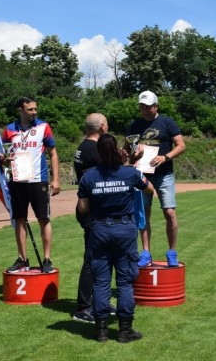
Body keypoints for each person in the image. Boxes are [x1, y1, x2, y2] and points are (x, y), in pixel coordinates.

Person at [77, 134, 154, 343]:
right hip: (124, 229)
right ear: (118, 150)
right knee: (125, 281)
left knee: (101, 281)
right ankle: (124, 330)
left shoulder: (89, 177)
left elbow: (83, 208)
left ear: (99, 152)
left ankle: (101, 329)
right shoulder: (130, 173)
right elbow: (150, 188)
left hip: (100, 228)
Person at [125, 90, 186, 268]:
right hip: (142, 176)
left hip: (164, 174)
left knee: (170, 213)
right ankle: (146, 252)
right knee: (143, 214)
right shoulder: (135, 125)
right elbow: (127, 149)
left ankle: (172, 252)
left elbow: (181, 146)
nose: (144, 110)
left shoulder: (167, 122)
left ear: (155, 106)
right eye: (141, 107)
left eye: (147, 107)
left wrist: (165, 157)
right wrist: (128, 155)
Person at [1, 97, 60, 274]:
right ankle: (22, 259)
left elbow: (53, 154)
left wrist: (55, 179)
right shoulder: (9, 130)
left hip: (38, 179)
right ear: (20, 110)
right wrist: (4, 160)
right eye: (30, 110)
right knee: (19, 219)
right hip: (18, 180)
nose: (34, 112)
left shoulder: (43, 127)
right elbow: (4, 156)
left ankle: (47, 259)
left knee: (44, 218)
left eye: (35, 109)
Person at [72, 113, 110, 323]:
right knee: (92, 259)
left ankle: (98, 301)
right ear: (102, 126)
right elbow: (111, 174)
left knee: (99, 258)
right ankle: (83, 307)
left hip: (88, 206)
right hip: (93, 209)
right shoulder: (94, 150)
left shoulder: (83, 146)